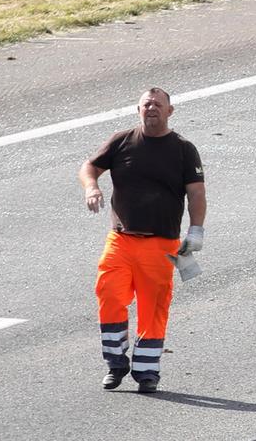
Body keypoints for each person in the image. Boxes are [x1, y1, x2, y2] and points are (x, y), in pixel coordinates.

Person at [79, 88, 206, 393]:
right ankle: (115, 363)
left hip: (161, 245)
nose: (151, 108)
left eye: (157, 105)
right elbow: (89, 167)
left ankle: (147, 372)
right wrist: (91, 187)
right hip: (120, 241)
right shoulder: (122, 140)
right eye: (146, 104)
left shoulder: (183, 149)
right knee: (109, 296)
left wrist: (196, 231)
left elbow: (196, 193)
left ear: (169, 111)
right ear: (138, 110)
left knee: (154, 308)